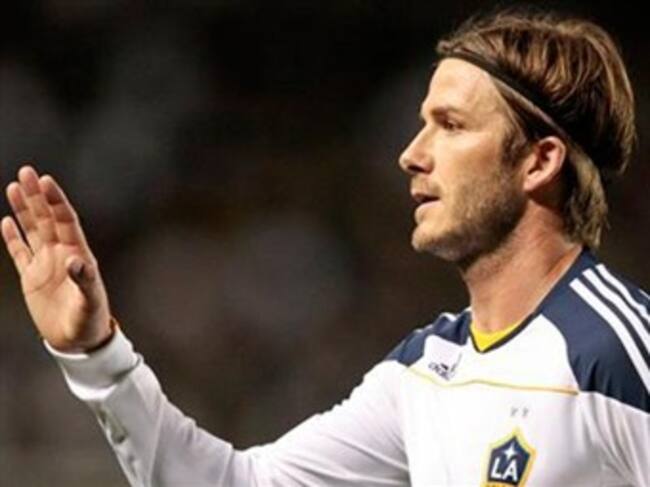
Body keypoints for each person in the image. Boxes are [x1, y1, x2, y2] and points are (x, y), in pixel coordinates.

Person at [3, 9, 649, 486]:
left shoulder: (613, 352)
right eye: (421, 124)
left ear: (539, 161)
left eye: (450, 126)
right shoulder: (426, 370)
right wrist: (96, 355)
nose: (412, 154)